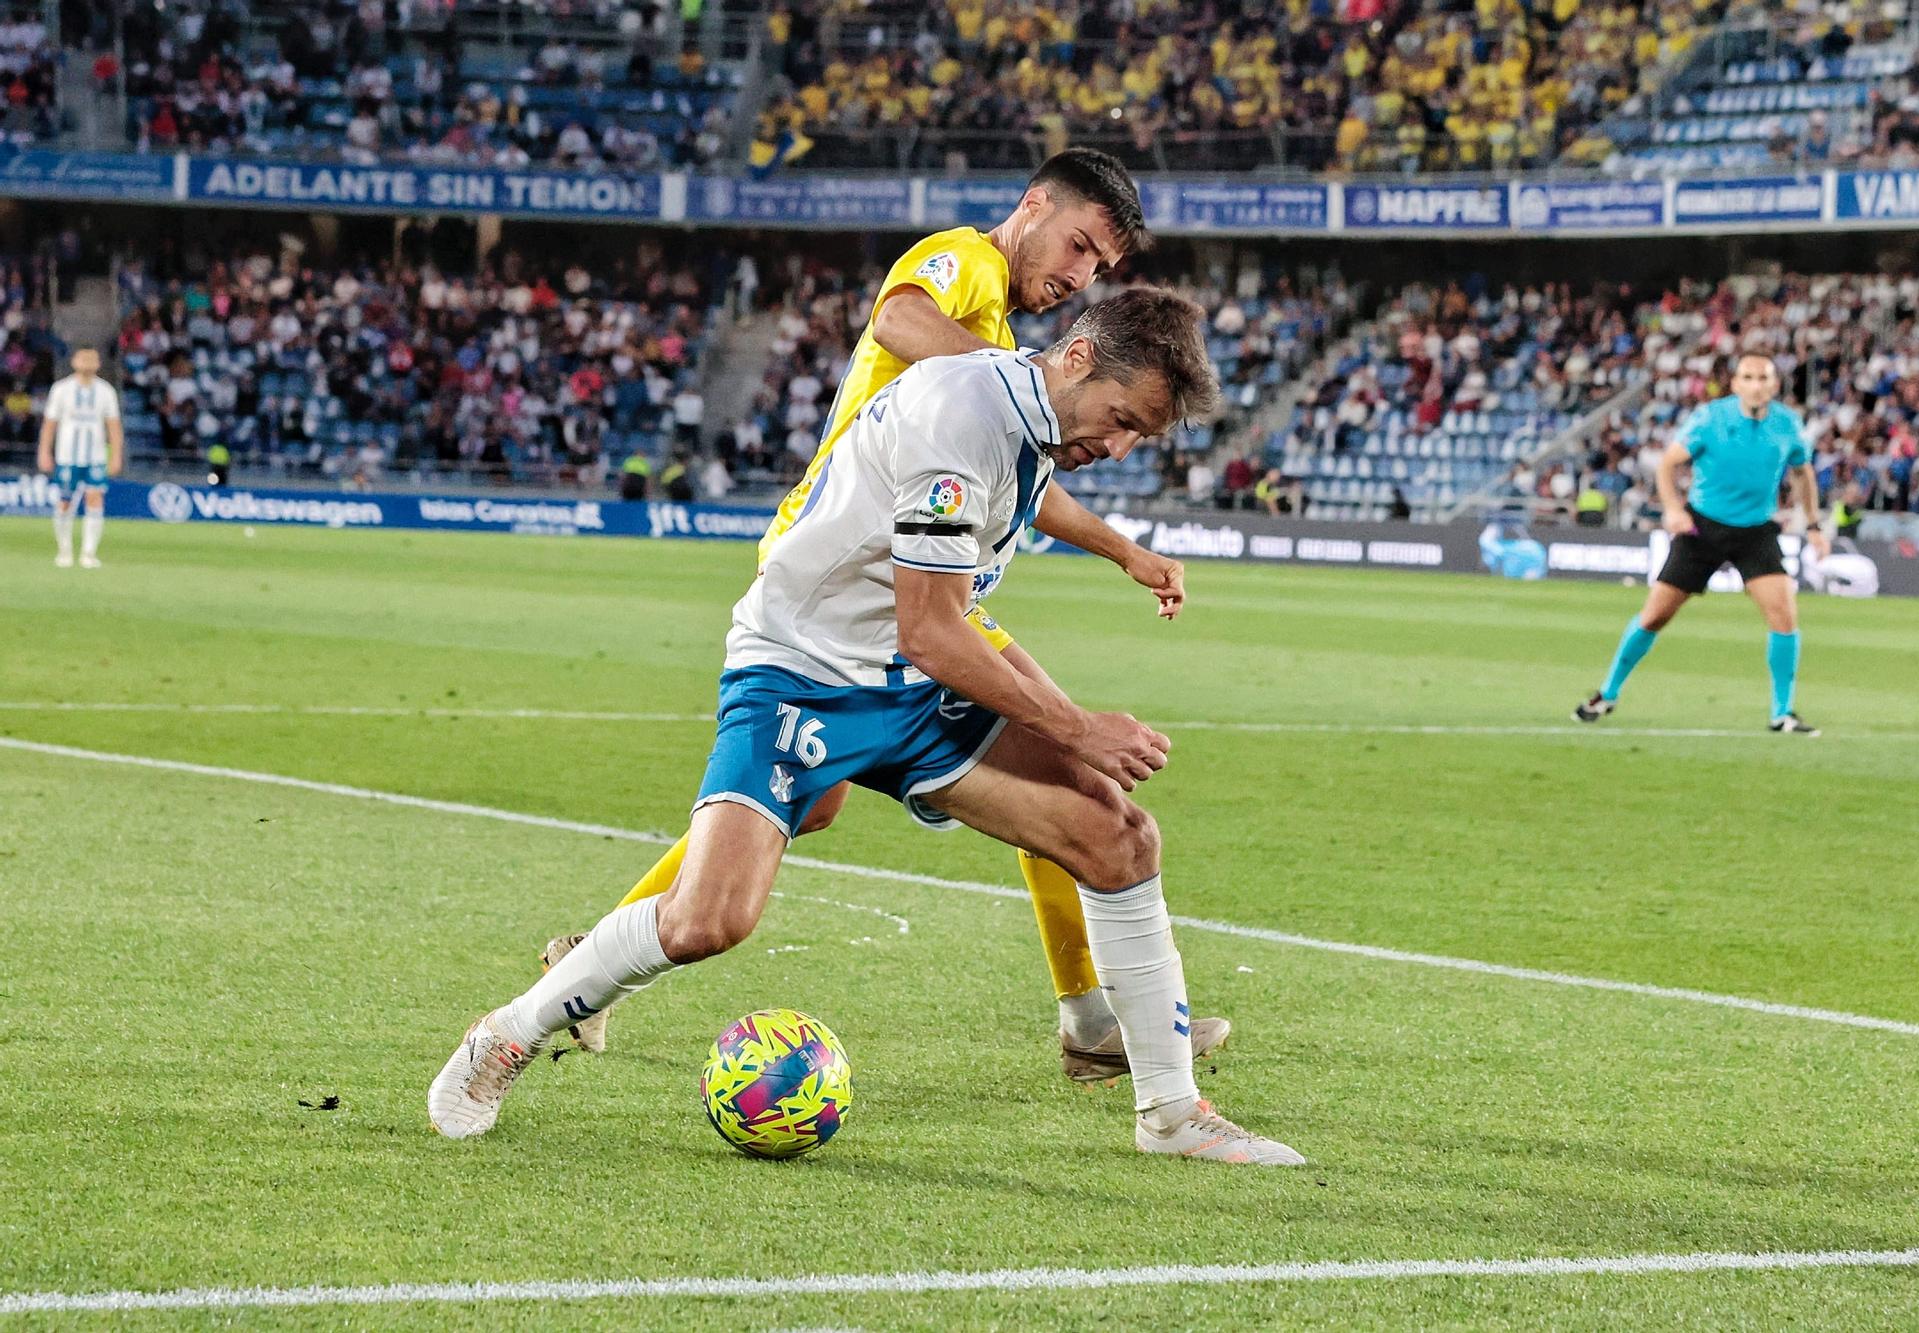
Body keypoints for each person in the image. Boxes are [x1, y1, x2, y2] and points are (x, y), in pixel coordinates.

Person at [433, 290, 1302, 1166]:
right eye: (1120, 420)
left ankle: (1171, 1112)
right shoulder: (961, 411)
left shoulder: (1030, 417)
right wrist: (1077, 728)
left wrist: (1124, 551)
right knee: (708, 920)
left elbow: (1000, 534)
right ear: (1076, 359)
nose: (1116, 447)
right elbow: (933, 626)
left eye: (1138, 436)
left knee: (1118, 837)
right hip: (804, 673)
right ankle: (506, 1034)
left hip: (912, 681)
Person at [544, 149, 1230, 1086]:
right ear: (1032, 205)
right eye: (1079, 245)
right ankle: (1089, 1017)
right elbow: (899, 315)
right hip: (855, 567)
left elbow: (1023, 478)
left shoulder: (1018, 372)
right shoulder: (968, 263)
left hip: (916, 559)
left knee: (812, 801)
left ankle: (593, 963)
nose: (1081, 275)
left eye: (1100, 268)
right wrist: (999, 374)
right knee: (1064, 756)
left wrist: (1125, 550)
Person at [1574, 355, 1832, 734]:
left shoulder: (1787, 424)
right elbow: (1667, 464)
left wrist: (1813, 525)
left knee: (1784, 617)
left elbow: (1802, 472)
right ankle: (1607, 693)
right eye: (1748, 377)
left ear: (1775, 385)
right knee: (1655, 616)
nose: (1757, 384)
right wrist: (1673, 510)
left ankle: (1783, 713)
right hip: (1702, 528)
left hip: (1756, 531)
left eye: (1764, 378)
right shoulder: (1712, 418)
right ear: (1736, 384)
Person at [38, 349, 123, 570]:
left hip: (95, 456)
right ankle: (64, 551)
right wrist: (44, 451)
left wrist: (115, 456)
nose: (88, 362)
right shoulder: (61, 389)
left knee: (95, 499)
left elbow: (113, 426)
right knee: (65, 502)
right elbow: (50, 424)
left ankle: (88, 553)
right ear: (74, 362)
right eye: (83, 357)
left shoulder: (106, 391)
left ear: (98, 363)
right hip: (67, 456)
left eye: (92, 358)